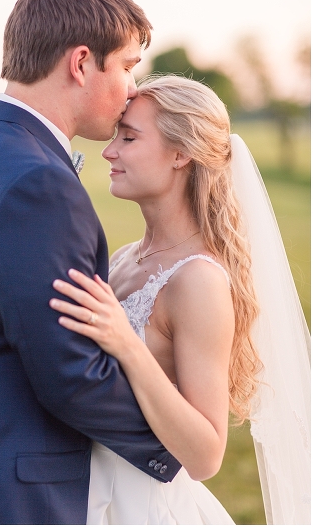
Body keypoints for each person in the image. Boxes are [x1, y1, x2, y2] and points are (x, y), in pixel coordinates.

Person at [0, 0, 181, 525]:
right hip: (11, 493)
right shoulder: (36, 182)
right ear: (82, 62)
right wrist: (183, 442)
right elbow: (70, 374)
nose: (134, 88)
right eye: (128, 66)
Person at [50, 75, 310, 524]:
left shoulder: (197, 281)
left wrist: (127, 344)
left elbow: (206, 455)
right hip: (93, 494)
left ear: (180, 153)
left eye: (129, 137)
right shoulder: (123, 258)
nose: (109, 151)